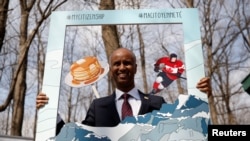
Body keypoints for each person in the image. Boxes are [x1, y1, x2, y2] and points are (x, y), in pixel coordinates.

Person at [36, 48, 212, 134]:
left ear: (135, 68)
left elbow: (184, 133)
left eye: (127, 63)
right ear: (110, 69)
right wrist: (50, 113)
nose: (122, 67)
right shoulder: (98, 107)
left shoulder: (157, 103)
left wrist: (201, 98)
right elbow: (76, 137)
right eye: (117, 64)